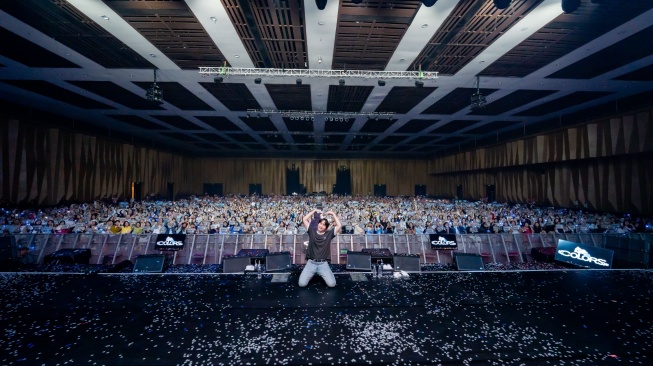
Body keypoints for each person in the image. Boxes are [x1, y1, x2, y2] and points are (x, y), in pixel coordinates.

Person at [298, 208, 342, 288]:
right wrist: (314, 211)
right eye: (320, 223)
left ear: (326, 227)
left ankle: (325, 273)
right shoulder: (312, 231)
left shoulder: (329, 234)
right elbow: (304, 219)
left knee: (332, 284)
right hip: (311, 263)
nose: (321, 226)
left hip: (323, 264)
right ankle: (312, 273)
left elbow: (339, 225)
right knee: (302, 284)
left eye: (324, 225)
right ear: (318, 224)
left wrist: (333, 214)